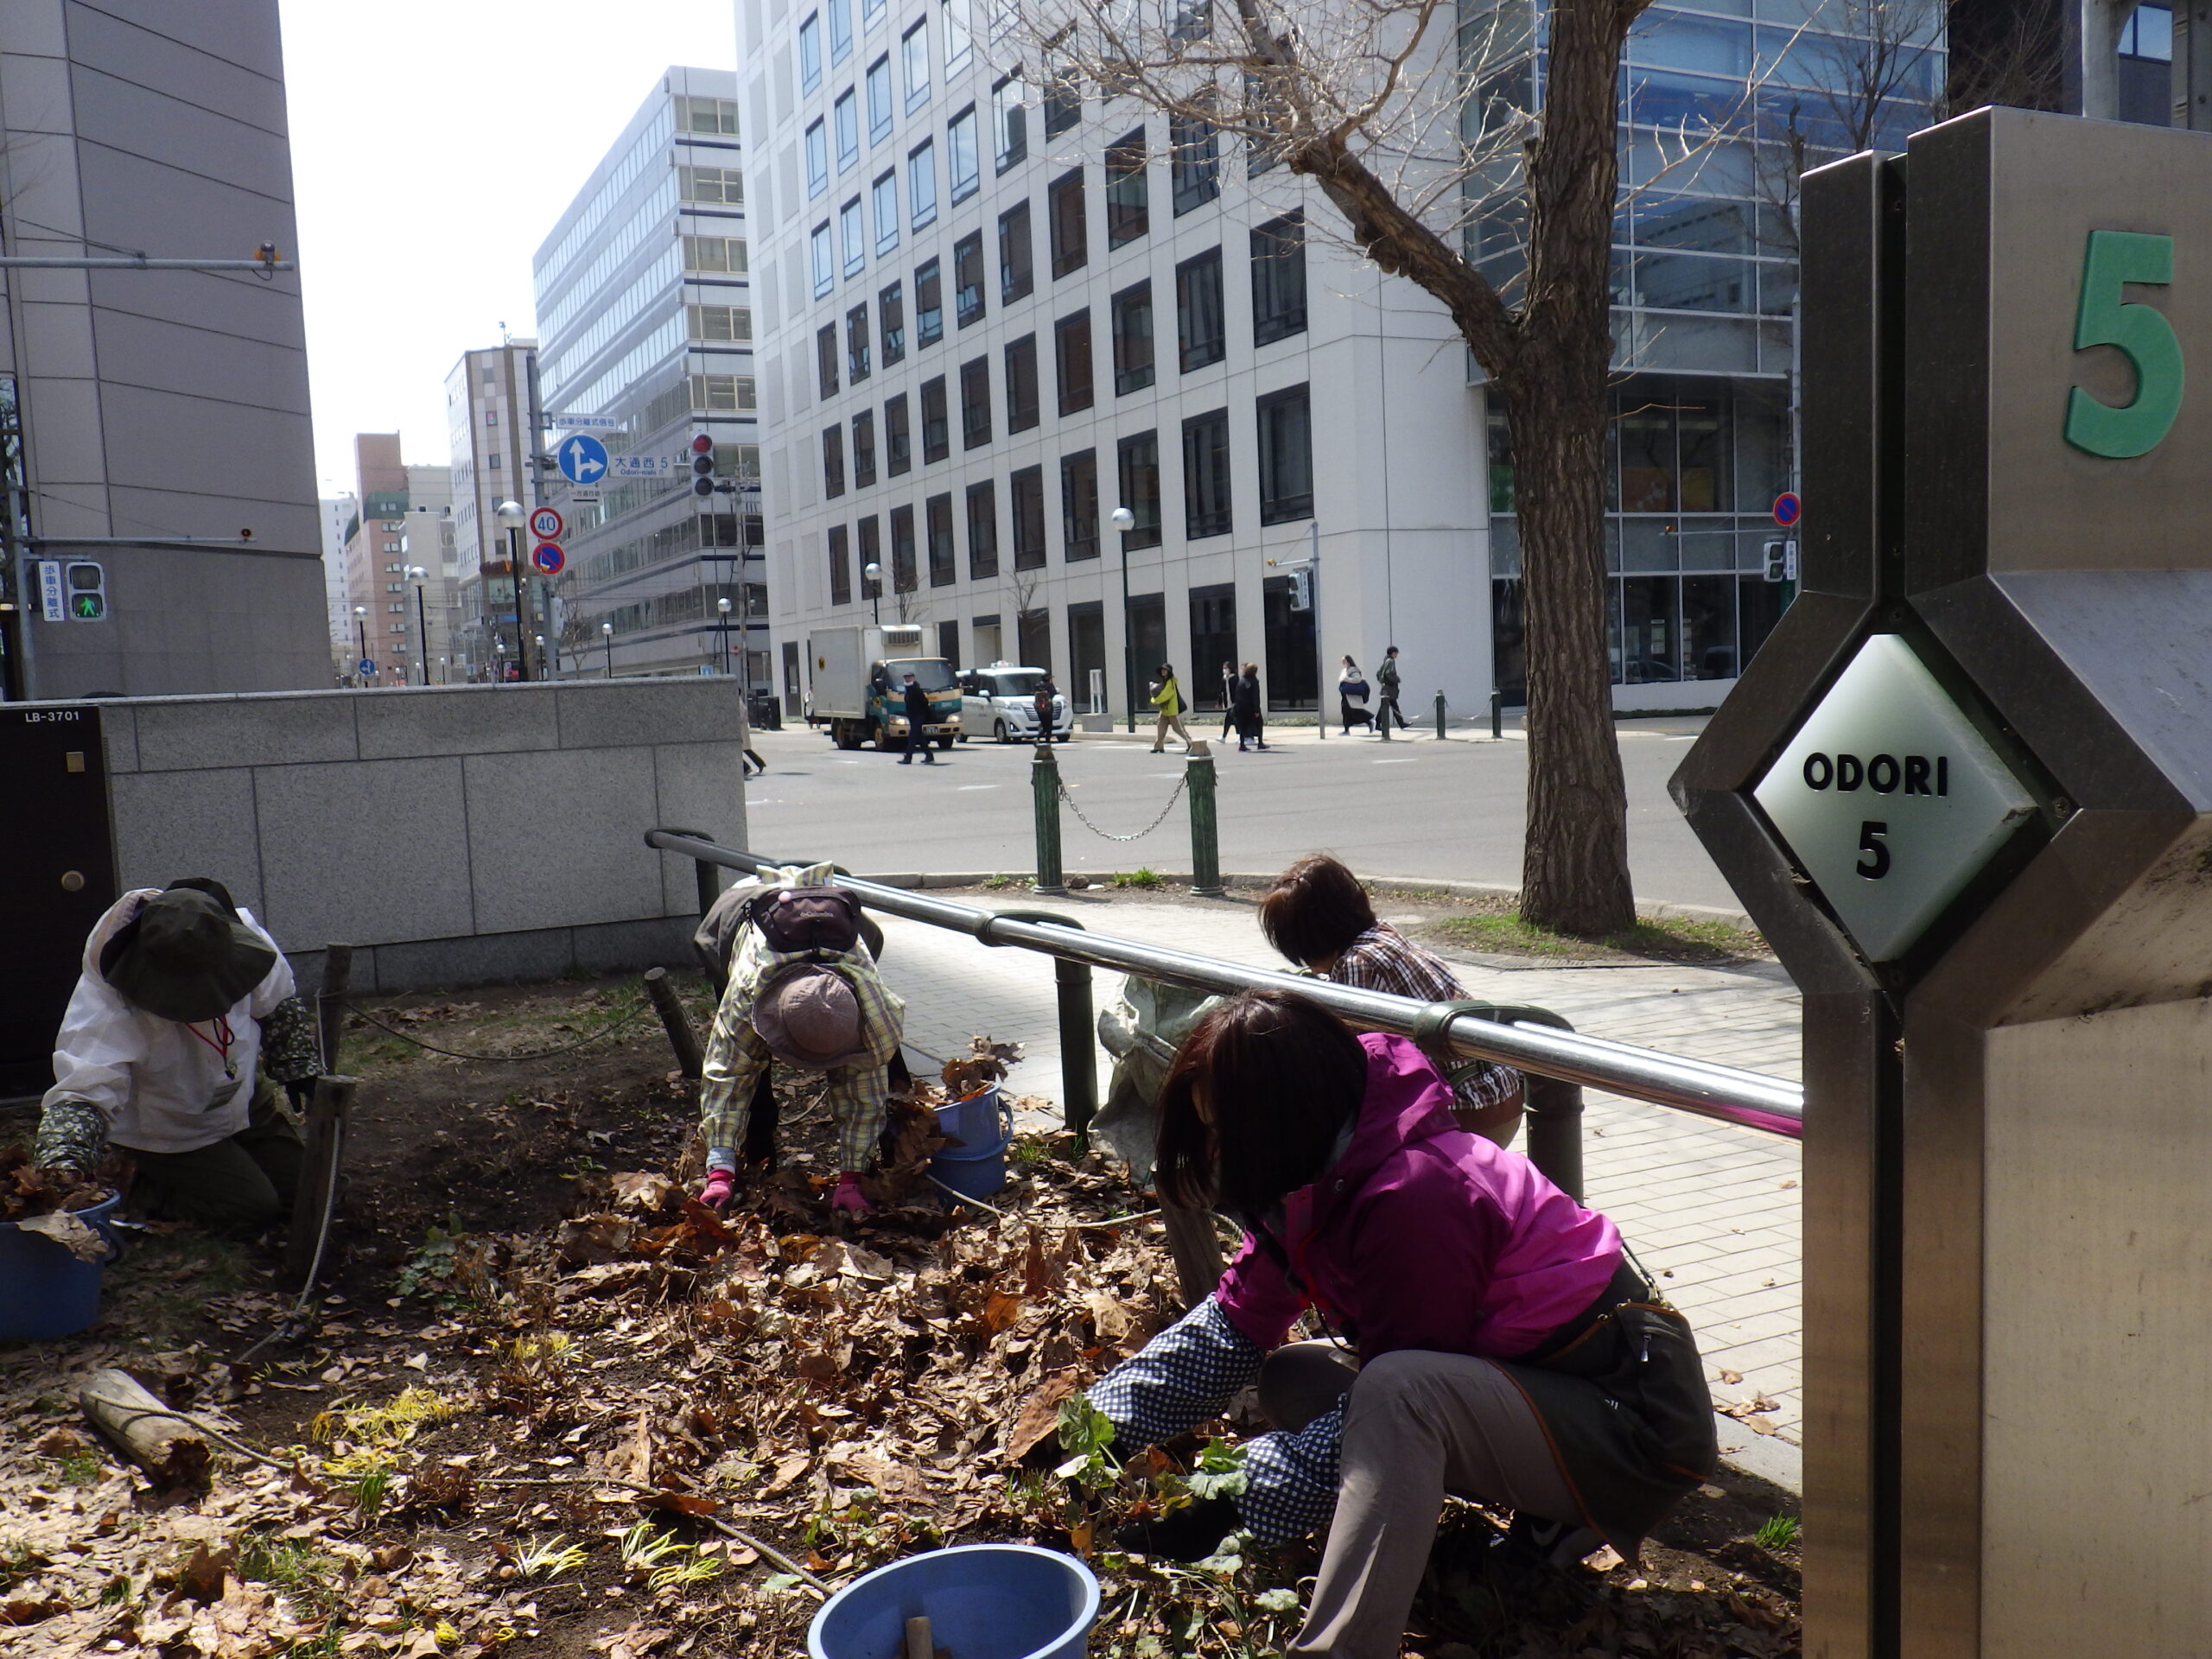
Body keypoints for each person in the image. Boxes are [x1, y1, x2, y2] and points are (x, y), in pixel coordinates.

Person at [1089, 990, 1715, 1659]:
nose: (1216, 1151)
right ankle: (1549, 1521)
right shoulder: (1324, 1164)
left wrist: (1231, 1501)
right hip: (1537, 1390)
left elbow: (1398, 1396)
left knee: (1397, 1391)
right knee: (1293, 1377)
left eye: (1225, 1133)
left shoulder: (1413, 1194)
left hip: (1634, 1427)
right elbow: (1232, 1326)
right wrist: (1090, 1430)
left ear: (1281, 1121)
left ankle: (1344, 1647)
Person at [32, 880, 324, 1229]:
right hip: (170, 1129)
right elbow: (82, 1092)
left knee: (315, 1192)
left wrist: (295, 1059)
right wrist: (63, 1167)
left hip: (242, 1097)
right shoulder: (109, 1005)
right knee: (255, 1207)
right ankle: (140, 1189)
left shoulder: (234, 933)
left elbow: (275, 998)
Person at [1260, 854, 1522, 1143]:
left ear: (1310, 941)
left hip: (1466, 1107)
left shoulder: (1356, 964)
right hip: (1501, 1088)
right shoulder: (1382, 933)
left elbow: (1352, 1058)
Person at [696, 861, 906, 1217]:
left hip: (832, 921)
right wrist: (720, 1170)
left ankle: (880, 1160)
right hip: (740, 915)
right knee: (753, 1085)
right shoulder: (746, 997)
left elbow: (864, 1096)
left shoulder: (868, 1003)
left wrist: (852, 1178)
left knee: (872, 1078)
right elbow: (725, 1079)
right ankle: (757, 1160)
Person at [1148, 663, 1193, 752]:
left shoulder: (1171, 682)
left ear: (1169, 672)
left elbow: (1165, 695)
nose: (1163, 671)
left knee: (1178, 729)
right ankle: (1158, 747)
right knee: (1160, 729)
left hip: (1172, 711)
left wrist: (1154, 700)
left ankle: (1191, 744)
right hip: (1164, 710)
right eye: (1162, 670)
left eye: (1165, 670)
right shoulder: (1165, 682)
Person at [898, 671, 936, 764]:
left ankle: (908, 757)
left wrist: (923, 714)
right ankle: (929, 755)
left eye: (909, 677)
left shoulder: (916, 689)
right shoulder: (907, 689)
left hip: (919, 716)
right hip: (912, 716)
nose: (907, 679)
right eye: (906, 677)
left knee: (912, 736)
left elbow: (924, 702)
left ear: (913, 678)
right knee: (919, 737)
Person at [1231, 662, 1268, 752]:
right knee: (1259, 724)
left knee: (1243, 726)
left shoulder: (1242, 681)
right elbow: (1255, 697)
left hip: (1240, 708)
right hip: (1250, 708)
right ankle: (1260, 743)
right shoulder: (1254, 681)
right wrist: (1257, 710)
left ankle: (1242, 744)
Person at [1336, 657, 1372, 735]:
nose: (1343, 663)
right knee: (1346, 712)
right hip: (1346, 695)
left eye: (1344, 661)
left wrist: (1346, 679)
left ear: (1349, 661)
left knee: (1357, 712)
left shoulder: (1353, 670)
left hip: (1352, 695)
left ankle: (1371, 719)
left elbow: (1357, 679)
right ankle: (1346, 729)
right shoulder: (1345, 670)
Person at [1376, 645, 1407, 736]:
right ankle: (1376, 723)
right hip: (1390, 687)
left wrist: (1382, 682)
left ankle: (1401, 723)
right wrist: (1396, 679)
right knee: (1386, 706)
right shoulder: (1391, 661)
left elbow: (1378, 673)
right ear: (1393, 653)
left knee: (1392, 705)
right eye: (1396, 653)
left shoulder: (1385, 661)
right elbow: (1389, 673)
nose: (1397, 655)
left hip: (1386, 687)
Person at [1033, 673, 1060, 743]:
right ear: (1048, 678)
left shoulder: (1037, 686)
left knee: (1044, 725)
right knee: (1049, 728)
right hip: (1048, 709)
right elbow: (1054, 693)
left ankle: (1038, 739)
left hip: (1039, 710)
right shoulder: (1049, 685)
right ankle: (1047, 742)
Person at [1218, 660, 1238, 742]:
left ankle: (1224, 737)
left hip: (1234, 702)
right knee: (1233, 719)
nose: (1224, 670)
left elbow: (1237, 691)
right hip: (1227, 702)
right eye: (1223, 668)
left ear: (1230, 669)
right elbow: (1221, 691)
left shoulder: (1234, 678)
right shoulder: (1224, 678)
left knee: (1230, 719)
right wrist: (1219, 702)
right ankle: (1224, 737)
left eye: (1226, 668)